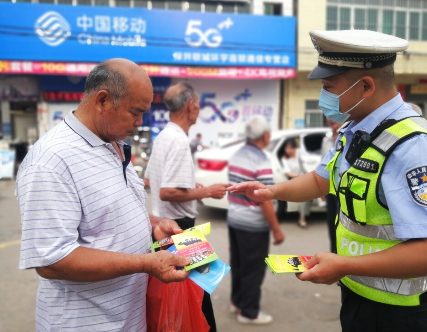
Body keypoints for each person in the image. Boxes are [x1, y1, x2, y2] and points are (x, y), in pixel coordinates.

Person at [228, 30, 427, 332]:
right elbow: (320, 181)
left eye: (329, 87)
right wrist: (269, 191)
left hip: (402, 317)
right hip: (357, 299)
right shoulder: (356, 130)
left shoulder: (415, 146)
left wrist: (344, 265)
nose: (324, 96)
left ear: (366, 86)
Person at [16, 59, 191, 332]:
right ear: (102, 100)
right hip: (85, 324)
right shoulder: (51, 161)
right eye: (135, 112)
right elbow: (52, 260)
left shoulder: (112, 142)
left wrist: (153, 224)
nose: (139, 122)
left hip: (127, 318)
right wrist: (147, 263)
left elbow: (107, 211)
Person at [145, 82, 228, 332]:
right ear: (191, 106)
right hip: (179, 230)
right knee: (199, 297)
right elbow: (167, 191)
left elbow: (150, 179)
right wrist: (207, 191)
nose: (199, 110)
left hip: (163, 227)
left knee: (184, 300)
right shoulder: (179, 141)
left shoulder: (164, 135)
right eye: (199, 105)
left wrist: (190, 185)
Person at [227, 116, 285, 325]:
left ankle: (237, 302)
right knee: (253, 269)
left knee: (239, 263)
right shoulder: (260, 160)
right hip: (253, 225)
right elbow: (266, 200)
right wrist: (276, 229)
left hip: (235, 219)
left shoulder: (236, 155)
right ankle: (249, 312)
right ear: (266, 136)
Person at [278, 138, 309, 228]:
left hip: (304, 178)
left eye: (291, 148)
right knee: (304, 194)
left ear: (295, 148)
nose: (289, 150)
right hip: (294, 180)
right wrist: (300, 177)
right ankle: (302, 219)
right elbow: (288, 172)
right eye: (287, 148)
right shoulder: (285, 158)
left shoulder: (300, 154)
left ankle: (302, 217)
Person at [321, 118, 342, 252]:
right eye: (327, 117)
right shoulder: (326, 139)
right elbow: (322, 164)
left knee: (343, 225)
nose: (329, 119)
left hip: (345, 189)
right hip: (330, 189)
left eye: (334, 117)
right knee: (331, 224)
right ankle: (333, 253)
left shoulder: (350, 135)